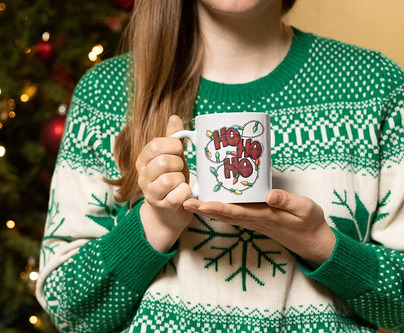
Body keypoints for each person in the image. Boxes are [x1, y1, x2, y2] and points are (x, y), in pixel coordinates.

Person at [36, 0, 404, 332]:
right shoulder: (106, 94)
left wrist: (319, 244)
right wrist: (157, 221)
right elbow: (69, 311)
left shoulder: (376, 86)